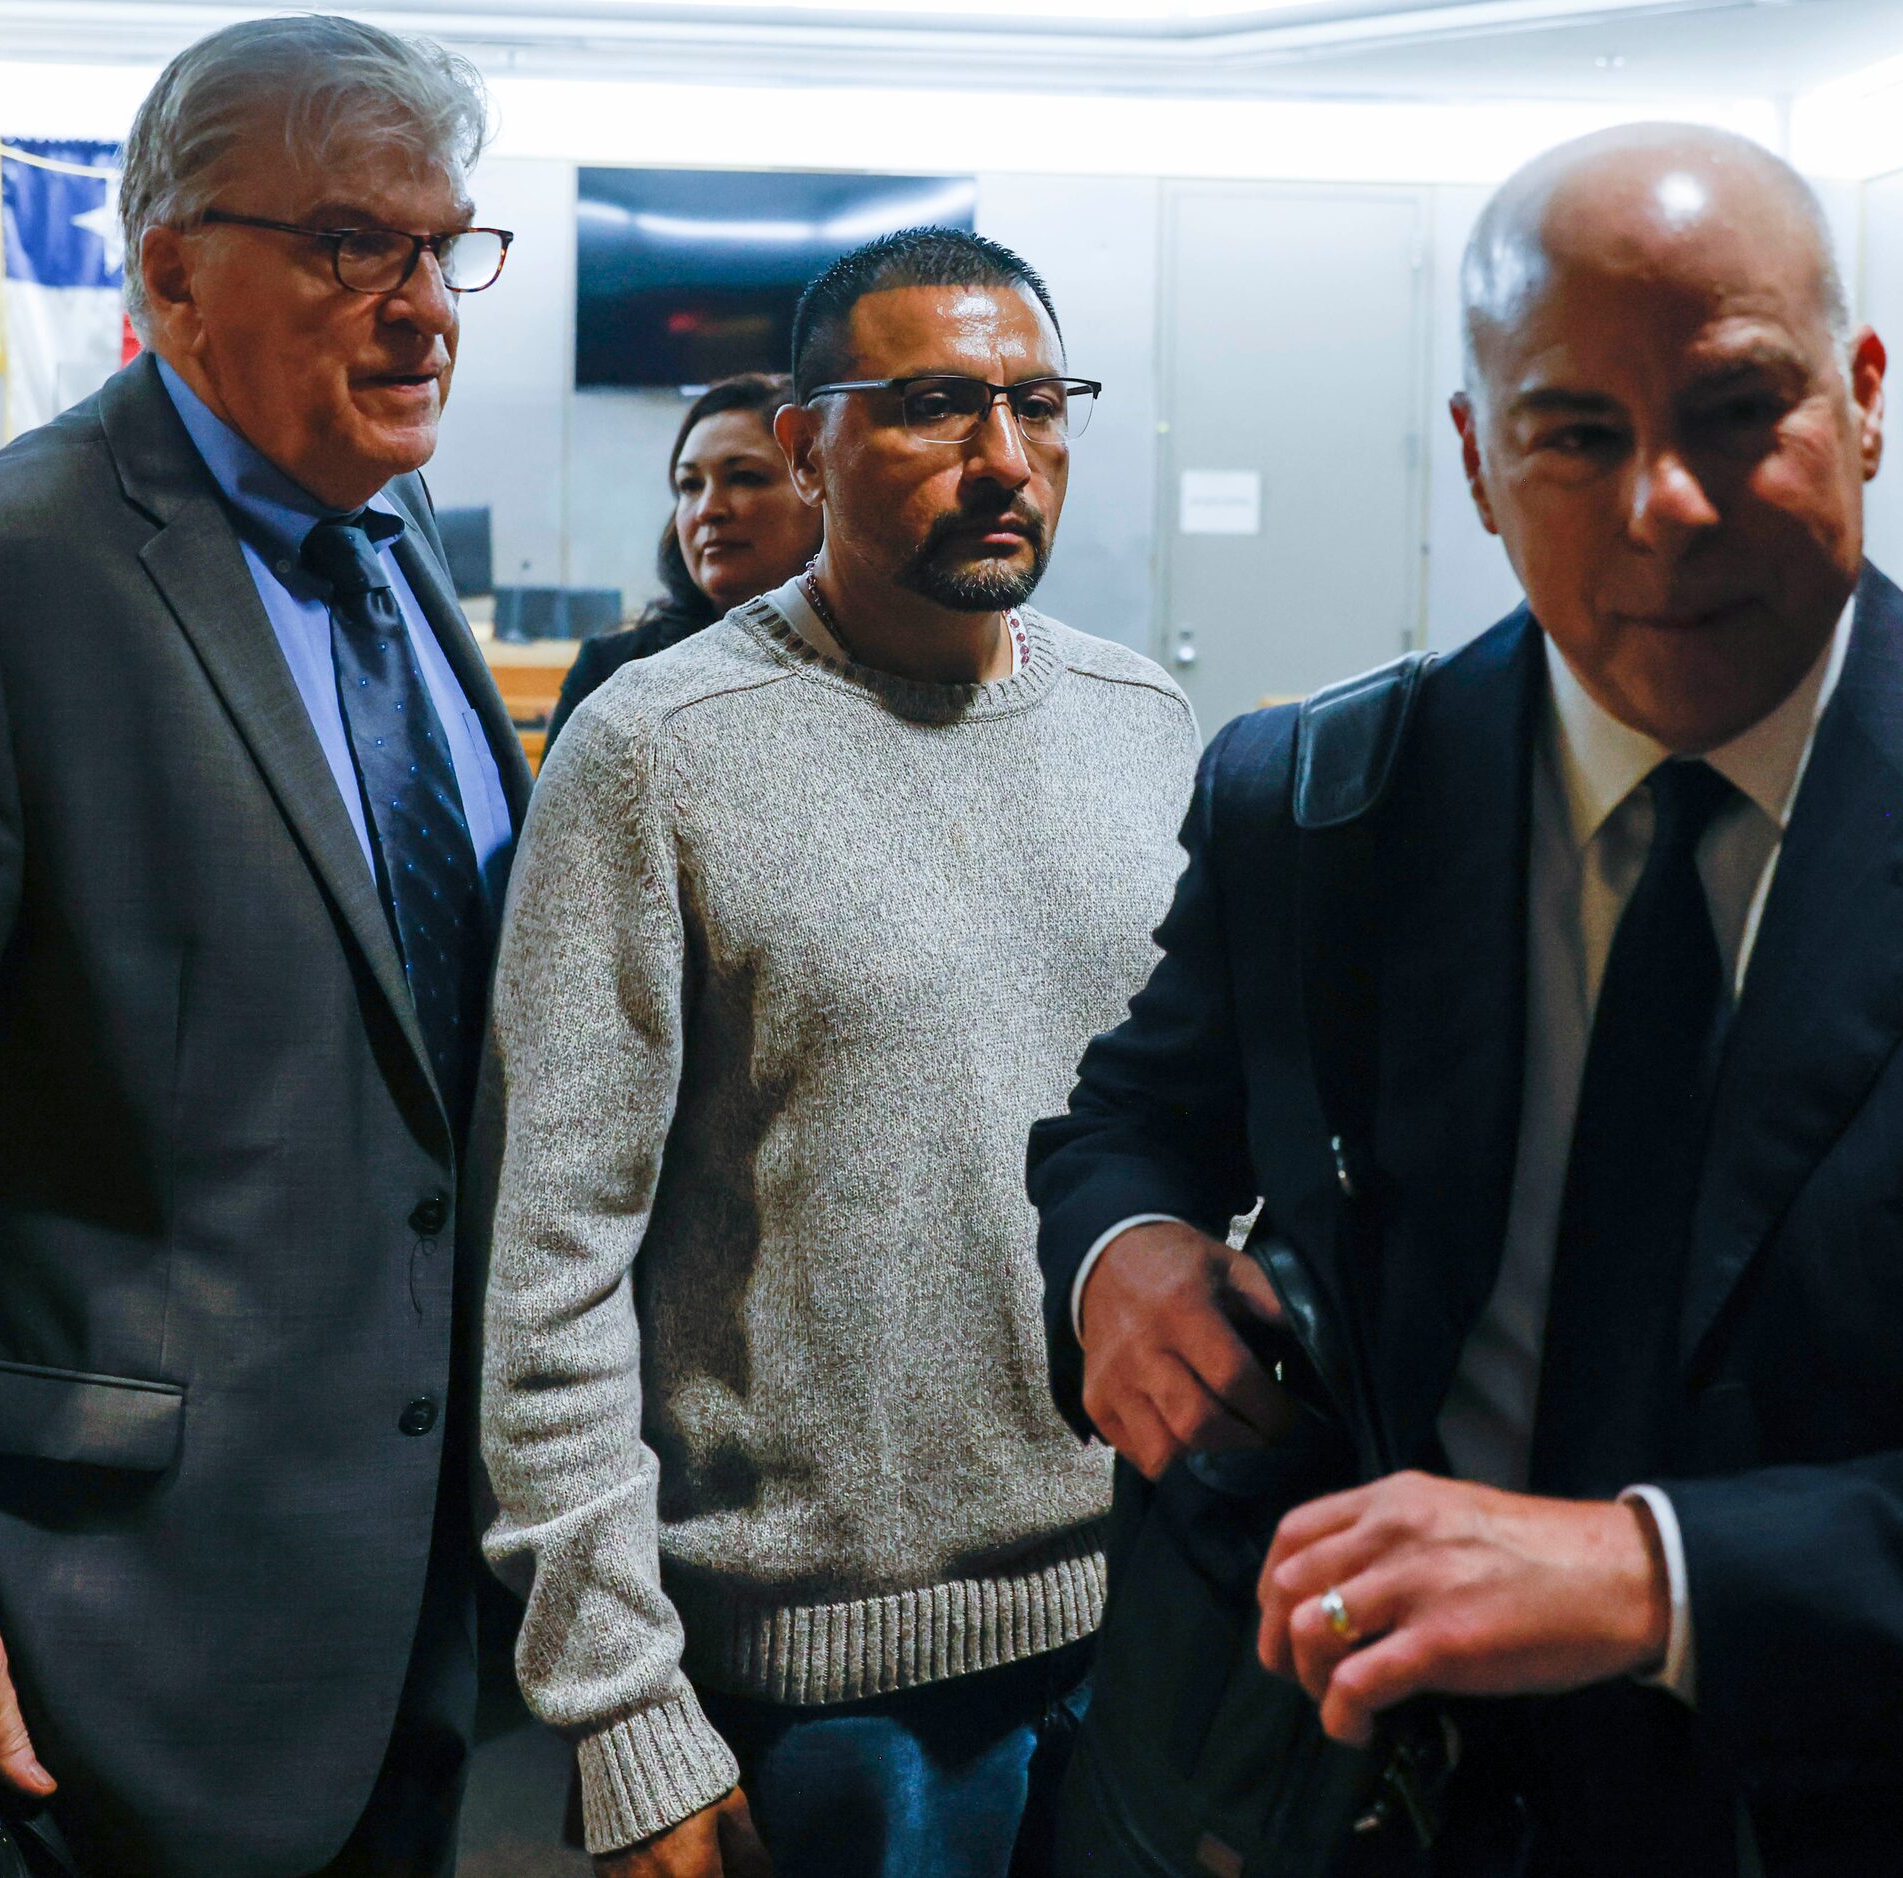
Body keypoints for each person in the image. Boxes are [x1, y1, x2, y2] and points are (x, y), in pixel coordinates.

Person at [1031, 122, 1903, 1875]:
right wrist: (1119, 1258)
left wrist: (1646, 1573)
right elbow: (1131, 1118)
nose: (1666, 503)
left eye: (1739, 409)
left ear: (1862, 395)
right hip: (1384, 1793)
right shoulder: (1321, 800)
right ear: (1479, 464)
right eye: (1577, 433)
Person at [0, 18, 529, 1877]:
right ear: (169, 270)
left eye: (446, 243)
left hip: (392, 1628)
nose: (421, 306)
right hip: (76, 1653)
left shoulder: (396, 561)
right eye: (346, 245)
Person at [482, 227, 1195, 1878]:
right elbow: (551, 1265)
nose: (1006, 458)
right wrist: (617, 1705)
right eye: (939, 406)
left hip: (1142, 1629)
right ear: (807, 443)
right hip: (817, 1696)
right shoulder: (654, 751)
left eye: (1041, 405)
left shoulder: (1140, 720)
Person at [543, 372, 819, 750]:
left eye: (745, 478)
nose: (708, 510)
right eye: (690, 485)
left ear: (818, 492)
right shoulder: (611, 670)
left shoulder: (868, 666)